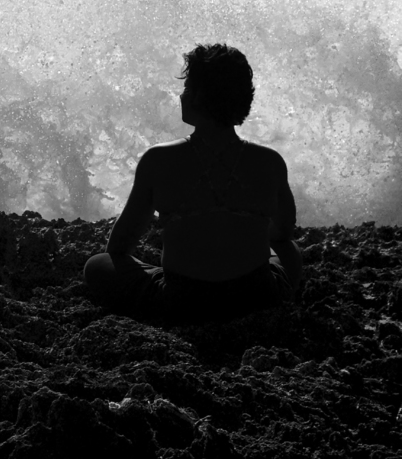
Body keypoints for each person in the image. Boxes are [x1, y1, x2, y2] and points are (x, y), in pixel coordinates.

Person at [83, 43, 302, 323]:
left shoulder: (158, 160)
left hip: (182, 303)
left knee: (98, 265)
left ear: (200, 96)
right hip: (255, 299)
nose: (181, 95)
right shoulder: (270, 162)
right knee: (289, 251)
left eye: (187, 87)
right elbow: (282, 232)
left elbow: (119, 246)